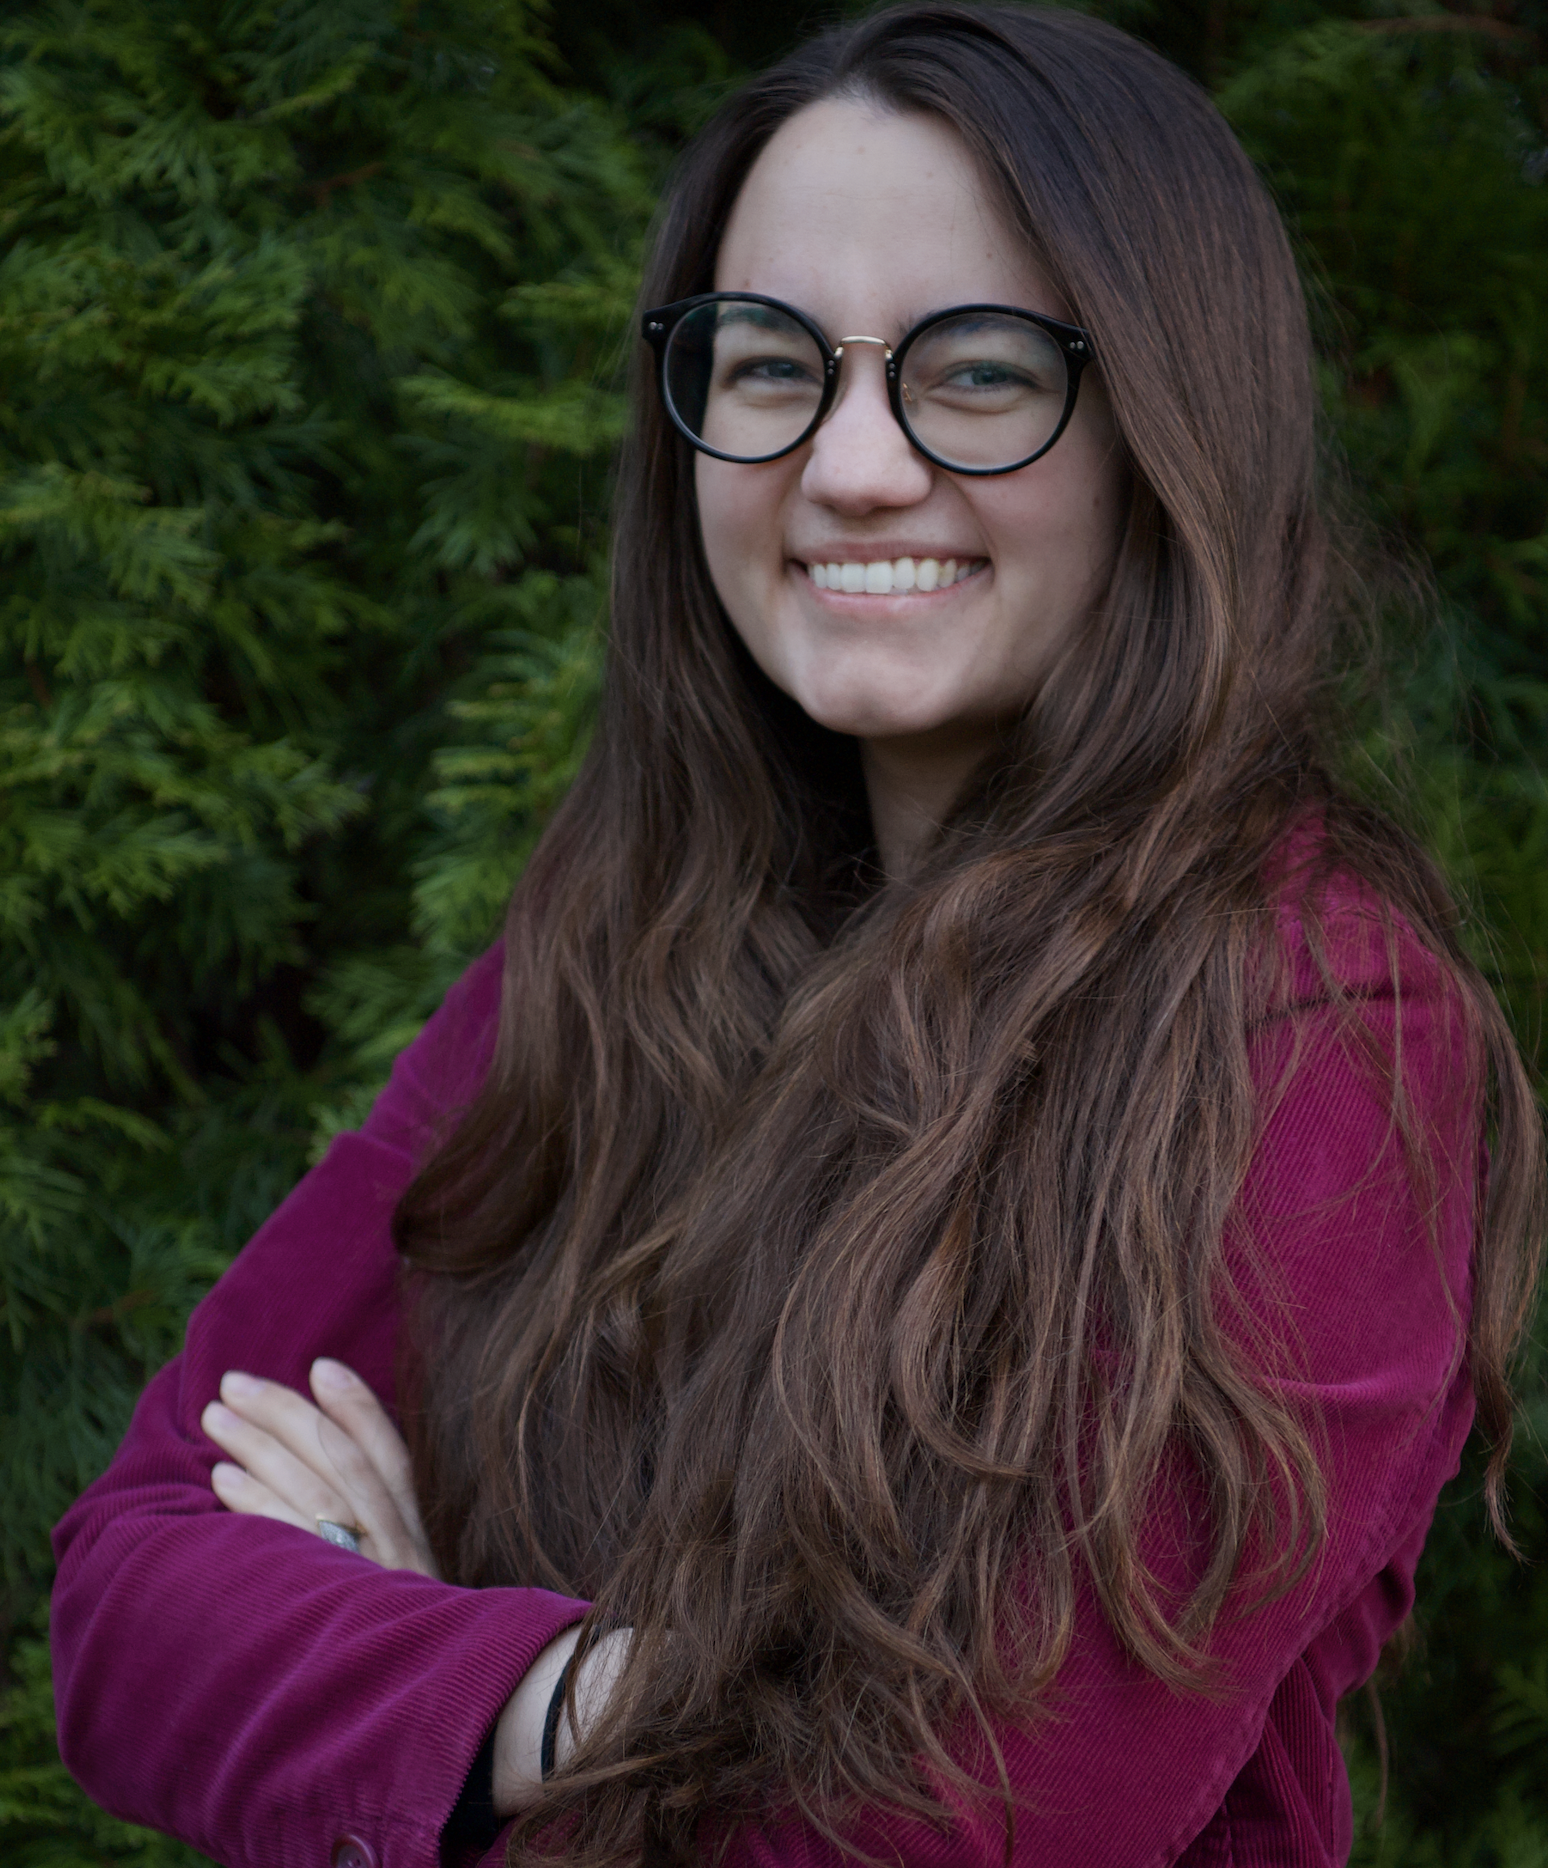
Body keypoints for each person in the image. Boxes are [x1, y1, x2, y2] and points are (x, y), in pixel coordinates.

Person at [50, 6, 1543, 1867]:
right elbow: (128, 1593)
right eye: (767, 366)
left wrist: (403, 1690)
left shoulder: (1311, 1028)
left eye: (978, 373)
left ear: (1171, 422)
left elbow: (947, 1836)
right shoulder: (618, 951)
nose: (847, 468)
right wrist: (574, 1697)